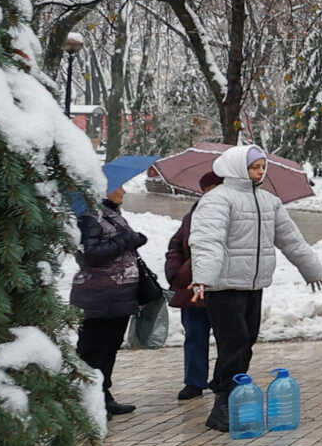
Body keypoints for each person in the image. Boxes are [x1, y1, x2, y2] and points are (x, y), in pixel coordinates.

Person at [187, 143, 322, 433]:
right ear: (237, 167)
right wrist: (204, 277)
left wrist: (310, 267)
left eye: (262, 167)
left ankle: (236, 397)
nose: (259, 172)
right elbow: (207, 241)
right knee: (233, 341)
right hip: (223, 286)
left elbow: (290, 238)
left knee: (247, 339)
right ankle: (222, 403)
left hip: (253, 285)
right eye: (254, 167)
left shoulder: (268, 201)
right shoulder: (218, 199)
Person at [70, 180, 149, 417]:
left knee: (110, 348)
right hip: (97, 297)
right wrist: (129, 239)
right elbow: (91, 255)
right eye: (118, 187)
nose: (122, 191)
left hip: (119, 295)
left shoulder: (111, 214)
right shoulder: (88, 217)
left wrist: (132, 240)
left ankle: (104, 396)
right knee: (92, 351)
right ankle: (85, 402)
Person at [165, 168, 216, 400]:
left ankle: (224, 380)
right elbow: (175, 245)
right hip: (194, 285)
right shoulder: (192, 216)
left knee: (228, 337)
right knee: (195, 334)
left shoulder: (235, 214)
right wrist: (175, 271)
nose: (211, 194)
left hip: (223, 285)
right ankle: (194, 382)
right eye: (208, 189)